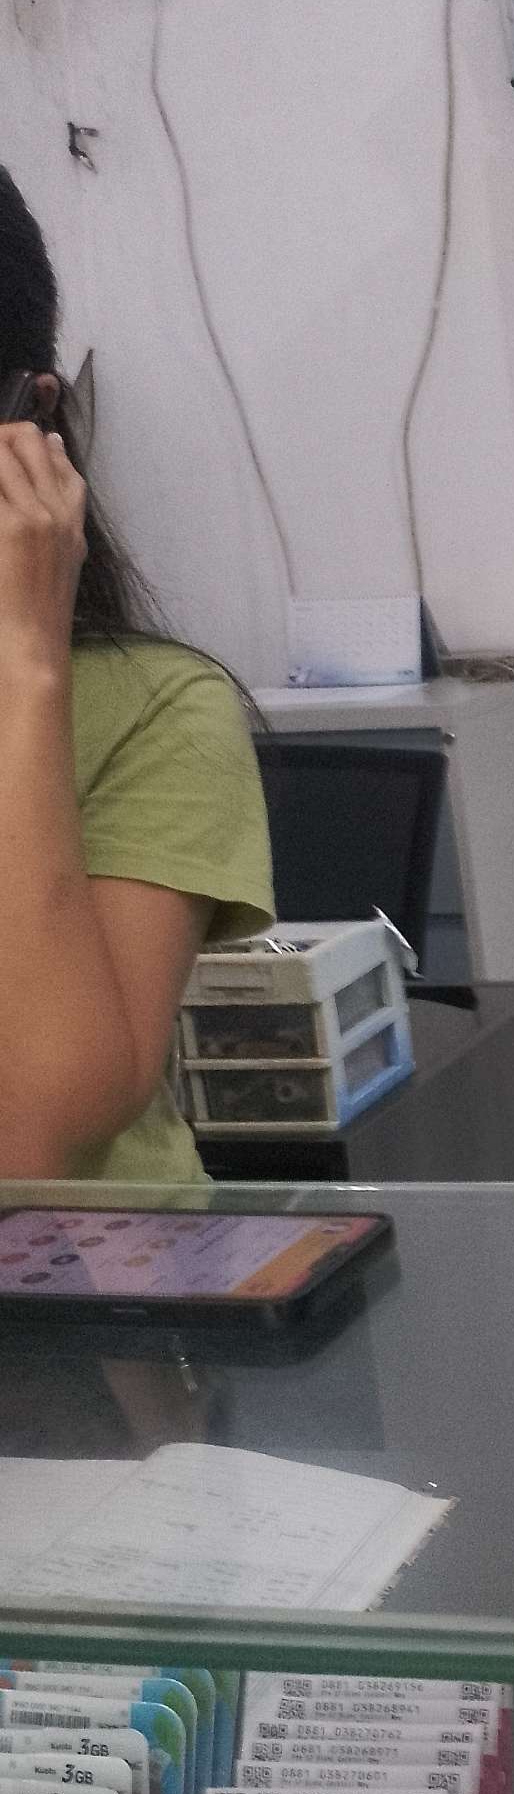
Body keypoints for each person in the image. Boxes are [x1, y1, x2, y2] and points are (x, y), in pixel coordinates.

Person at [0, 165, 273, 1183]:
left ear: (30, 417)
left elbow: (33, 1138)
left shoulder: (159, 710)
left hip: (77, 1279)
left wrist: (27, 660)